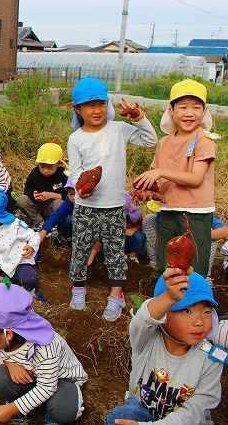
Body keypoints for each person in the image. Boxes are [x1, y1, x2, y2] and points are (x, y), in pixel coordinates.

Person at [66, 76, 158, 321]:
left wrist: (139, 118)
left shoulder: (118, 129)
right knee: (81, 249)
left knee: (115, 252)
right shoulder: (76, 138)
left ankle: (115, 296)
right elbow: (75, 172)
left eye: (101, 103)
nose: (96, 110)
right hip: (86, 207)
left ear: (107, 104)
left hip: (115, 207)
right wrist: (81, 188)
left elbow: (150, 141)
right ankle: (78, 290)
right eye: (90, 105)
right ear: (78, 109)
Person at [105, 269, 223, 424]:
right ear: (164, 315)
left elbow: (194, 413)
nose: (199, 321)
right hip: (142, 412)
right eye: (187, 311)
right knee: (121, 416)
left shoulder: (212, 358)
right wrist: (169, 297)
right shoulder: (146, 339)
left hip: (184, 422)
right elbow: (143, 320)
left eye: (207, 312)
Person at [0, 283, 88, 424]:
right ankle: (26, 407)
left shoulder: (45, 347)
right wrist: (9, 363)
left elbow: (47, 387)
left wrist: (12, 409)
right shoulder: (2, 339)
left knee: (64, 410)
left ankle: (48, 414)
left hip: (60, 381)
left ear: (8, 334)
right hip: (33, 376)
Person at [134, 79, 217, 277]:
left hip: (195, 213)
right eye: (183, 107)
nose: (189, 113)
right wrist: (149, 191)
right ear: (171, 110)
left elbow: (195, 178)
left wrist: (161, 172)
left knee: (195, 267)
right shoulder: (164, 142)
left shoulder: (204, 141)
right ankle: (167, 296)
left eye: (196, 107)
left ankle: (195, 296)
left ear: (204, 111)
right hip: (168, 211)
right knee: (167, 264)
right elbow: (159, 182)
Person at [144, 212, 228, 279]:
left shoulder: (199, 215)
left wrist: (196, 235)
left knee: (209, 235)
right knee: (149, 219)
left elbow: (225, 231)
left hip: (192, 251)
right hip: (172, 250)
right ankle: (155, 265)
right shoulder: (166, 215)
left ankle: (203, 276)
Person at [16, 142, 68, 230]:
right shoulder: (35, 172)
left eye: (50, 167)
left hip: (52, 208)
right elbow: (27, 189)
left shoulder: (63, 175)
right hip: (37, 206)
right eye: (42, 166)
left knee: (60, 203)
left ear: (59, 163)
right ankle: (38, 222)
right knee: (22, 199)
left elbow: (69, 196)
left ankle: (53, 223)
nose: (45, 170)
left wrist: (51, 195)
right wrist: (34, 194)